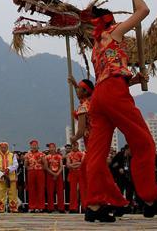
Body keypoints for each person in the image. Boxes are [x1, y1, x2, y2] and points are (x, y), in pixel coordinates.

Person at [83, 0, 157, 222]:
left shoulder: (95, 47)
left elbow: (107, 76)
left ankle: (93, 205)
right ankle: (150, 199)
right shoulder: (114, 33)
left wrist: (132, 80)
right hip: (113, 93)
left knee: (96, 153)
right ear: (109, 20)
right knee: (143, 144)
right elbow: (143, 11)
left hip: (101, 97)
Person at [67, 76, 93, 214]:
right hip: (97, 141)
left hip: (92, 144)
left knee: (87, 174)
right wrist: (74, 84)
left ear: (85, 91)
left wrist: (74, 138)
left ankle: (93, 203)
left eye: (79, 89)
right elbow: (82, 93)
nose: (76, 91)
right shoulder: (92, 101)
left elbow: (81, 131)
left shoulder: (83, 107)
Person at [0, 141, 19, 213]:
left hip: (11, 177)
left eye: (5, 147)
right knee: (1, 193)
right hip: (1, 177)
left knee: (12, 193)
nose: (3, 149)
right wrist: (1, 174)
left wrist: (9, 169)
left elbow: (16, 165)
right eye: (2, 147)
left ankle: (13, 208)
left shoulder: (12, 155)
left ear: (7, 148)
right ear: (0, 148)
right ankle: (0, 208)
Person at [23, 139, 46, 212]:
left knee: (40, 189)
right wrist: (29, 167)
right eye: (33, 145)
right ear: (30, 146)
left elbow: (45, 163)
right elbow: (25, 164)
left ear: (38, 146)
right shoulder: (27, 154)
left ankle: (40, 206)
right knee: (31, 189)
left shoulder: (41, 154)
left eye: (35, 145)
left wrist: (42, 168)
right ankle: (32, 206)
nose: (34, 147)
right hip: (31, 172)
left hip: (40, 171)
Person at [44, 142, 65, 212]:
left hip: (58, 175)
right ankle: (50, 208)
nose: (52, 148)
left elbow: (61, 166)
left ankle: (61, 208)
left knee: (60, 192)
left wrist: (57, 174)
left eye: (53, 147)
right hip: (50, 175)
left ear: (55, 148)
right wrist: (53, 173)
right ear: (49, 148)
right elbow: (46, 167)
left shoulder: (59, 156)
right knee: (50, 192)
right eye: (50, 147)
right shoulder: (46, 157)